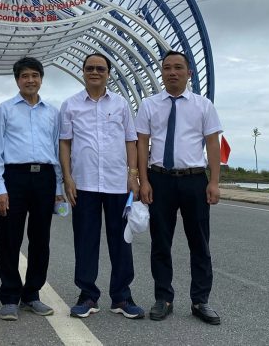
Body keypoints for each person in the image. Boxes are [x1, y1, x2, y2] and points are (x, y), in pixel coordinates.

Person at [136, 50, 223, 326]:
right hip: (159, 179)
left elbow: (213, 144)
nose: (172, 72)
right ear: (161, 72)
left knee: (199, 242)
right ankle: (163, 298)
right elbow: (142, 143)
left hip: (194, 180)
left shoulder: (203, 105)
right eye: (167, 68)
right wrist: (143, 180)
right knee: (161, 242)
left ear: (189, 73)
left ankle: (200, 300)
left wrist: (214, 182)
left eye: (178, 67)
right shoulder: (149, 105)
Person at [59, 53, 144, 319]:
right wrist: (67, 177)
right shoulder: (70, 105)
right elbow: (65, 143)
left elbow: (130, 140)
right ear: (83, 71)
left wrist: (133, 175)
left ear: (108, 73)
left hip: (117, 183)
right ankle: (87, 296)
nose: (95, 72)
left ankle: (122, 297)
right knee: (85, 241)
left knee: (121, 241)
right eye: (90, 68)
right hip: (83, 184)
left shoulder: (120, 104)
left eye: (100, 68)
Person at [0, 56, 64, 321]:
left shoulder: (52, 112)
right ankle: (10, 297)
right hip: (14, 178)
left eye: (35, 75)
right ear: (17, 80)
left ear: (41, 79)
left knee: (41, 240)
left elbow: (56, 150)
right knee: (10, 238)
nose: (30, 80)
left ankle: (32, 294)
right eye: (25, 76)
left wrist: (58, 187)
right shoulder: (4, 110)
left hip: (44, 178)